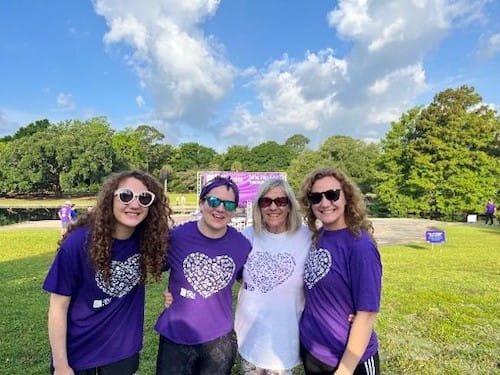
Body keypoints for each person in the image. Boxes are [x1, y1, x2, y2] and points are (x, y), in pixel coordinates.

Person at [43, 170, 172, 375]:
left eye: (144, 198)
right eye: (126, 195)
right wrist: (60, 364)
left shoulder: (151, 242)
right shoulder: (78, 243)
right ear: (110, 198)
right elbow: (58, 307)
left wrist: (176, 292)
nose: (135, 204)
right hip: (78, 354)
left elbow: (187, 254)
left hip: (122, 353)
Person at [155, 176, 252, 375]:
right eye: (214, 201)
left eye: (229, 204)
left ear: (234, 210)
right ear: (201, 202)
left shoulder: (241, 245)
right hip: (176, 336)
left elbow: (248, 281)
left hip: (218, 340)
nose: (220, 209)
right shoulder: (176, 237)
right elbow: (153, 264)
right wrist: (172, 291)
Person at [298, 167, 382, 375]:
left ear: (346, 197)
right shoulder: (318, 237)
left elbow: (367, 314)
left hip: (350, 360)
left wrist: (345, 370)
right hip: (313, 351)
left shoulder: (360, 245)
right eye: (316, 197)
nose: (325, 203)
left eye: (332, 195)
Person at [234, 178, 311, 375]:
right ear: (259, 206)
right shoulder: (248, 235)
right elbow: (228, 269)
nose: (273, 207)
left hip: (284, 341)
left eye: (281, 201)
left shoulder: (307, 238)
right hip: (250, 336)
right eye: (266, 201)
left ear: (290, 205)